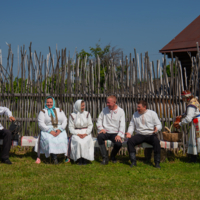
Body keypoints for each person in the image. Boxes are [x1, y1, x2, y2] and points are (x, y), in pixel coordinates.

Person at [126, 100, 162, 168]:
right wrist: (129, 133)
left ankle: (157, 163)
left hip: (150, 134)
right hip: (140, 134)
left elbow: (159, 124)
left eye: (139, 107)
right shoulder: (135, 114)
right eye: (137, 107)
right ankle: (133, 161)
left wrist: (157, 128)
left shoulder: (152, 113)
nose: (137, 109)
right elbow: (131, 125)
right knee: (130, 141)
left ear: (144, 107)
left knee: (156, 142)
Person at [34, 96, 68, 164]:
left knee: (62, 139)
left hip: (59, 129)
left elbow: (65, 120)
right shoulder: (43, 112)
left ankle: (61, 156)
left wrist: (60, 129)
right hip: (47, 129)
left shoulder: (60, 110)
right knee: (50, 140)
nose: (49, 104)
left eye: (51, 102)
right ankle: (54, 158)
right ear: (45, 103)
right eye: (48, 102)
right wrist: (50, 131)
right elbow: (41, 124)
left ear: (53, 102)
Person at [96, 95, 125, 165]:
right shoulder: (104, 110)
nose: (107, 104)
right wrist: (101, 128)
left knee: (118, 144)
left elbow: (122, 124)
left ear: (114, 102)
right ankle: (105, 158)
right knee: (99, 137)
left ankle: (112, 156)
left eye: (109, 103)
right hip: (105, 131)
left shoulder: (120, 111)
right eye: (107, 102)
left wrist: (119, 135)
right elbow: (99, 120)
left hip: (115, 133)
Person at [174, 90, 200, 163]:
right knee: (196, 139)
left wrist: (180, 124)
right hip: (197, 121)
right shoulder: (194, 100)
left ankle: (193, 159)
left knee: (194, 139)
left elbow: (188, 118)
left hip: (196, 123)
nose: (182, 99)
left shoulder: (191, 105)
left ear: (186, 98)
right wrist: (182, 115)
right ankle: (194, 157)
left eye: (183, 98)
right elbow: (190, 113)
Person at [69, 100, 94, 165]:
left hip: (86, 132)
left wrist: (86, 133)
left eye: (84, 105)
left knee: (85, 141)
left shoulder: (87, 114)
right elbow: (71, 127)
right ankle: (79, 159)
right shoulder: (72, 115)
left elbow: (90, 125)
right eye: (82, 106)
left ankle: (85, 159)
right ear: (78, 106)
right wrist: (77, 134)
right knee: (79, 142)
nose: (83, 107)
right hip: (76, 133)